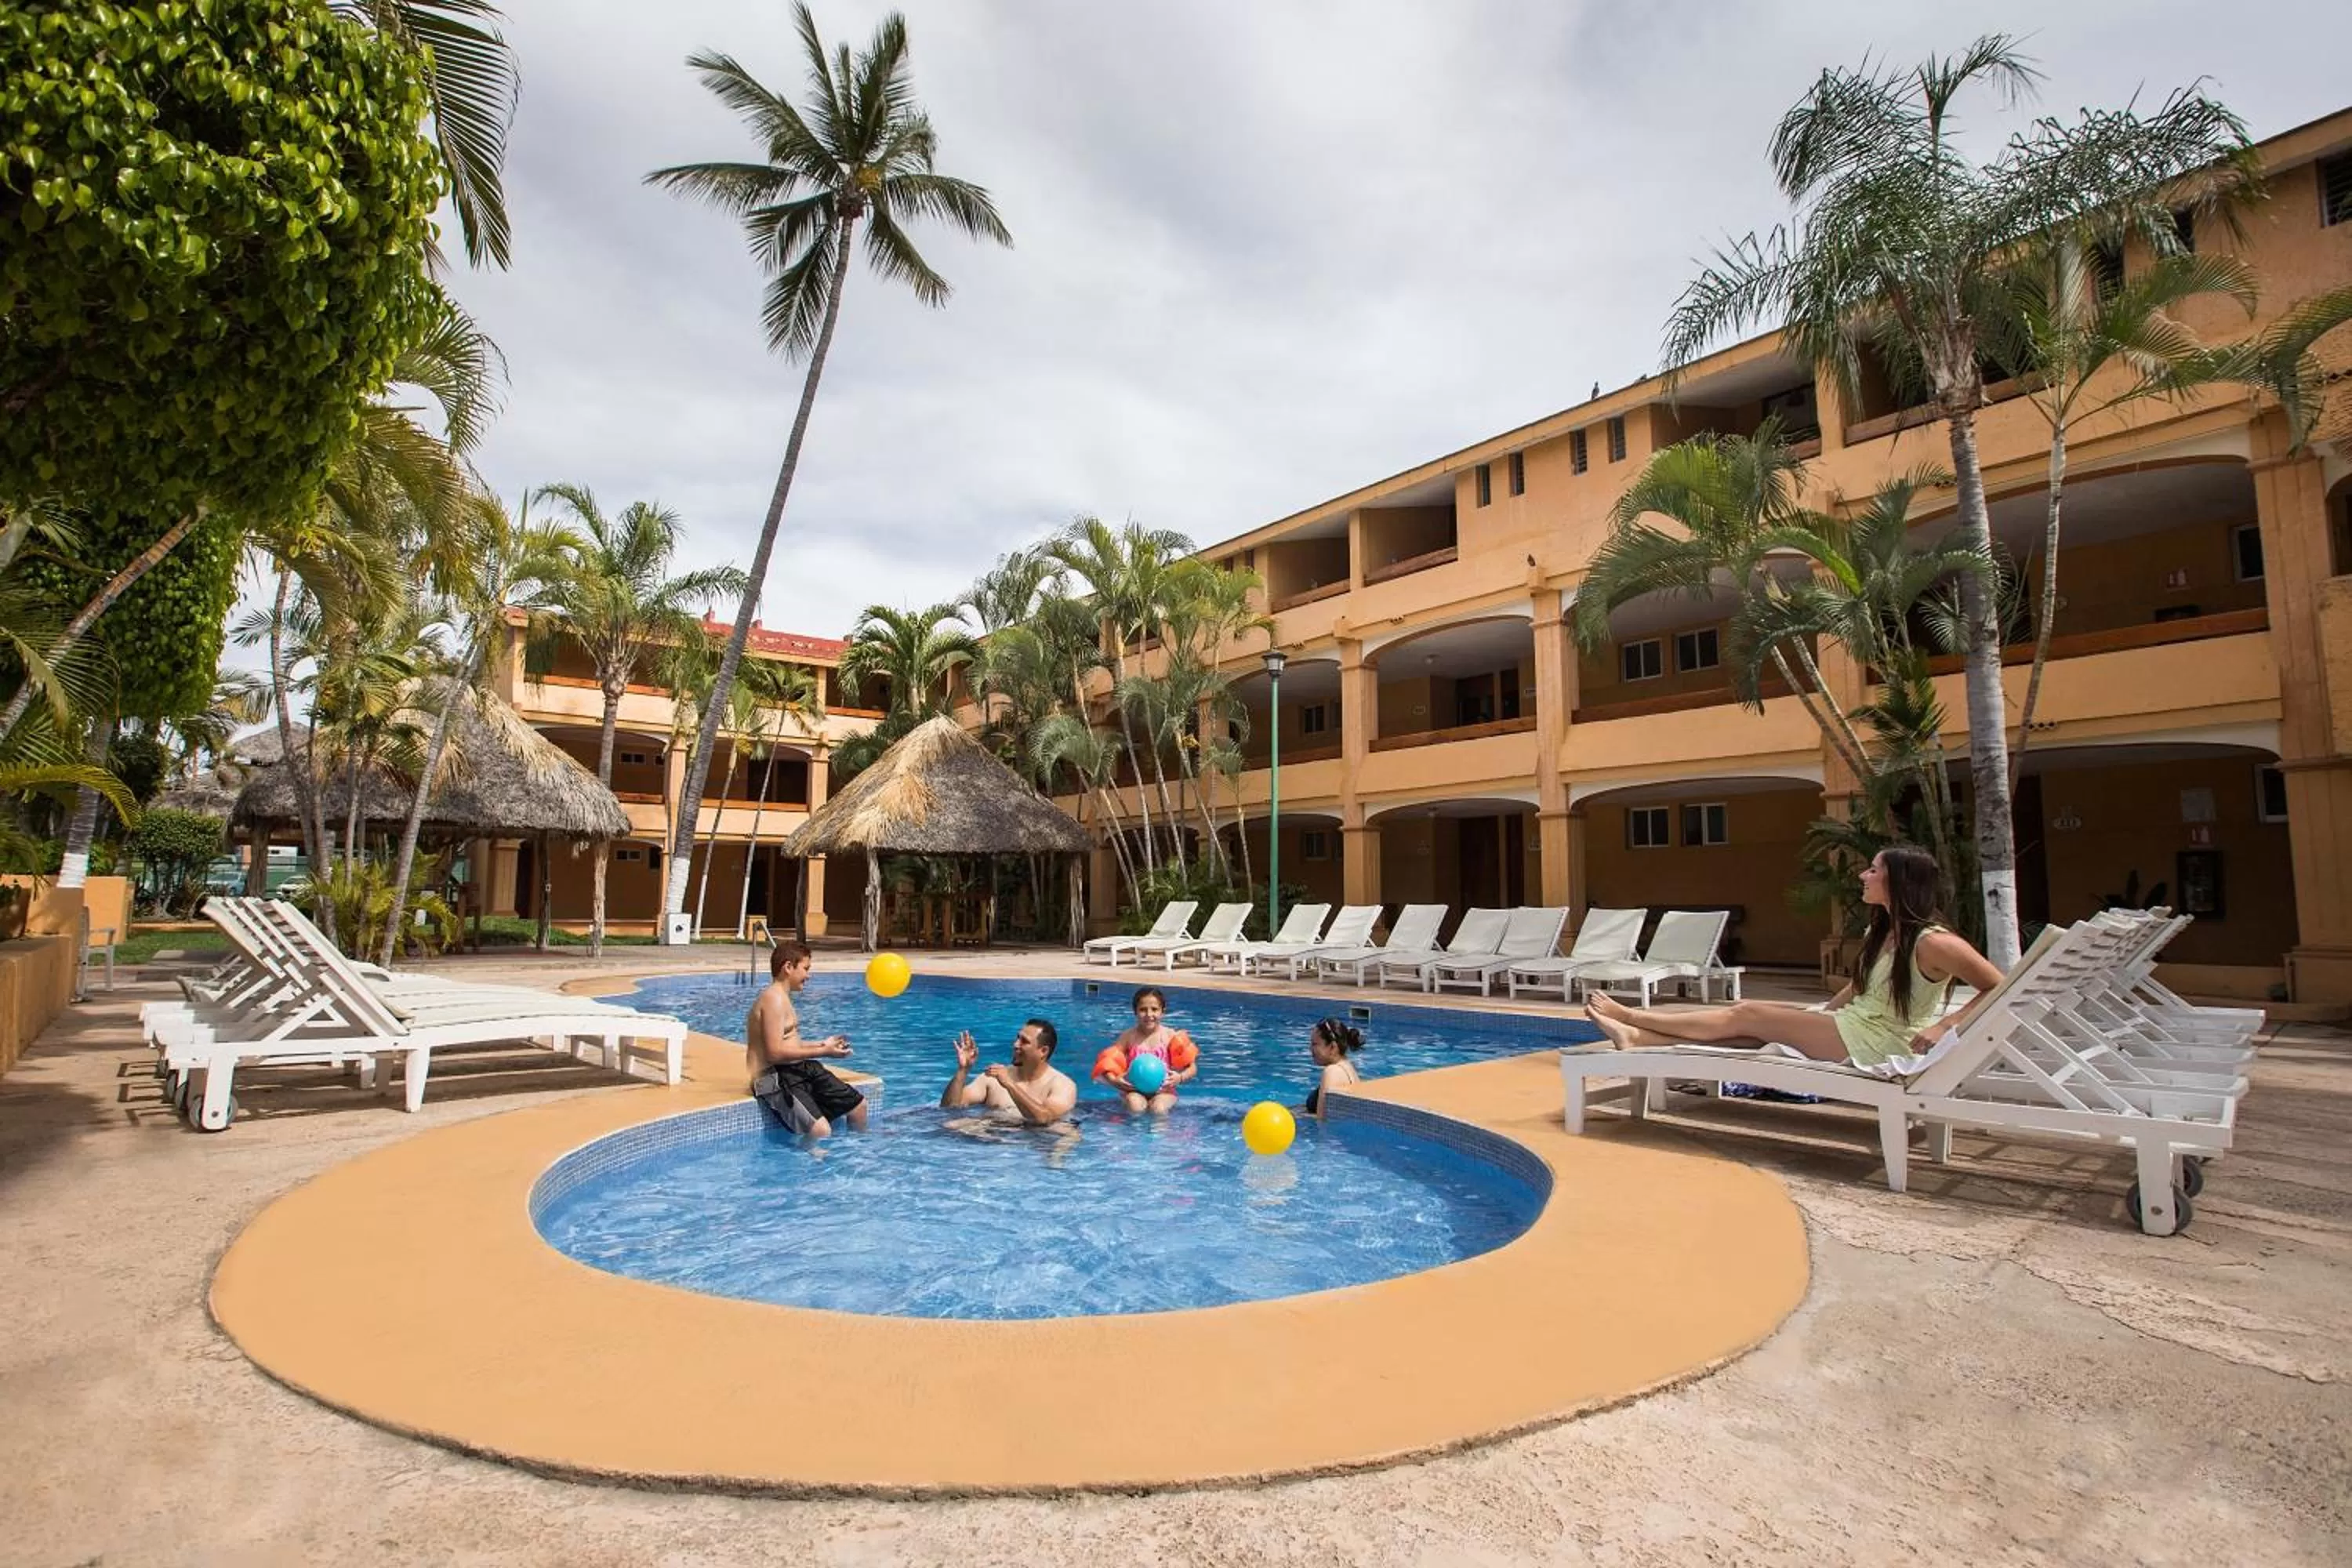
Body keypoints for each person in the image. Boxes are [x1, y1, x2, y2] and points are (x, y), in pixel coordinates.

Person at [1583, 844, 2006, 1068]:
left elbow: (1997, 986)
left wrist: (1944, 1026)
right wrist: (1820, 1012)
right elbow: (1860, 988)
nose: (1864, 875)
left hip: (1883, 1044)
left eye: (1874, 870)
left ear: (1899, 880)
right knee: (1757, 1030)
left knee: (1747, 1013)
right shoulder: (1884, 933)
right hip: (1852, 1027)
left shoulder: (1935, 942)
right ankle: (1641, 1039)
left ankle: (1636, 1018)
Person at [745, 940, 868, 1136]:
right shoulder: (773, 999)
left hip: (795, 1068)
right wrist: (824, 1052)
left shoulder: (782, 997)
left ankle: (858, 1151)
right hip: (770, 1077)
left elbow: (789, 1044)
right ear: (788, 967)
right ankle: (808, 1165)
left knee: (858, 1105)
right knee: (821, 1131)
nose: (808, 976)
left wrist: (823, 1044)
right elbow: (774, 1053)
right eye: (805, 969)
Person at [938, 1017, 1077, 1126]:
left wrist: (1010, 1084)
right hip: (992, 1142)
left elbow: (1043, 1119)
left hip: (1035, 1148)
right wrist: (963, 1070)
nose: (1016, 1045)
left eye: (1024, 1041)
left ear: (1043, 1051)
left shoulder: (1062, 1085)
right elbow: (949, 1108)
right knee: (950, 1125)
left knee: (1066, 1132)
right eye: (1018, 1038)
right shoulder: (993, 1078)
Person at [1102, 985, 1196, 1114]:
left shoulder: (1170, 1036)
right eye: (1143, 1010)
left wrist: (1180, 1077)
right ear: (1135, 1011)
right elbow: (1107, 1064)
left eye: (1154, 1009)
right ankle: (1133, 1134)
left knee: (1158, 1108)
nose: (1149, 1015)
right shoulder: (1128, 1037)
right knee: (1135, 1106)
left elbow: (1191, 1067)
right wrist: (1115, 1081)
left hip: (1164, 1092)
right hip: (1133, 1091)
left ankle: (1160, 1134)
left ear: (1163, 1012)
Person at [1302, 1016, 1363, 1118]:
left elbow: (1322, 1121)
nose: (1310, 1049)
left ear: (1332, 1047)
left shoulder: (1331, 1071)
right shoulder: (1348, 1067)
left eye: (1315, 1044)